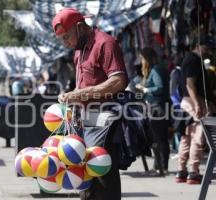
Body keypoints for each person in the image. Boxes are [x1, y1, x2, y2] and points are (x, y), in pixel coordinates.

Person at [52, 8, 127, 200]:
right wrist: (72, 97)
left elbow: (118, 81)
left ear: (80, 27)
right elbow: (83, 84)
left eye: (67, 37)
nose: (66, 43)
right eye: (62, 39)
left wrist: (80, 94)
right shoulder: (79, 51)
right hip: (85, 122)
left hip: (104, 120)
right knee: (85, 178)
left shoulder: (105, 43)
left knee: (101, 173)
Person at [175, 33, 215, 184]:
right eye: (207, 47)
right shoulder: (193, 60)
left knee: (186, 138)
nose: (209, 51)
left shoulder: (191, 59)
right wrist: (198, 104)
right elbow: (189, 84)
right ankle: (194, 172)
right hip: (194, 102)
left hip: (188, 102)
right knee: (198, 138)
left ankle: (181, 171)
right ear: (198, 45)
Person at [135, 47, 170, 175]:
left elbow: (160, 87)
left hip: (159, 107)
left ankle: (163, 167)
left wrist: (145, 90)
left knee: (160, 138)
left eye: (142, 58)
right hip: (156, 107)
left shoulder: (156, 69)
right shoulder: (155, 69)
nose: (141, 61)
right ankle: (158, 166)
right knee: (157, 138)